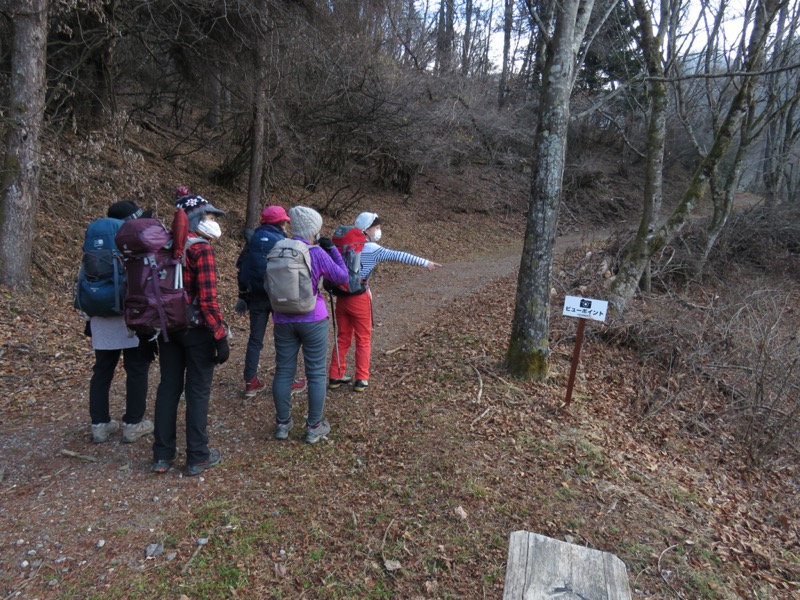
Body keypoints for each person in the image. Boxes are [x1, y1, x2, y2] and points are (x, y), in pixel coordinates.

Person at [151, 194, 230, 476]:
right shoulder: (201, 249)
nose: (214, 222)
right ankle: (198, 455)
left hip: (167, 327)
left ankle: (162, 455)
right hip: (196, 330)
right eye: (210, 217)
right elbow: (208, 300)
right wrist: (219, 335)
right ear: (197, 219)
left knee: (168, 387)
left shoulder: (163, 246)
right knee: (197, 391)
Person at [328, 212, 441, 393]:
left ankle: (335, 375)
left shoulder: (343, 246)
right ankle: (361, 378)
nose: (379, 231)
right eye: (377, 227)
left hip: (342, 297)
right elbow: (398, 256)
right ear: (366, 229)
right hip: (359, 299)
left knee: (342, 337)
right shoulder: (373, 249)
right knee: (363, 339)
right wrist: (425, 262)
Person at [272, 206, 347, 444]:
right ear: (313, 229)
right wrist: (333, 249)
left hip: (282, 318)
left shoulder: (278, 248)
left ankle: (283, 424)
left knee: (284, 370)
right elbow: (342, 277)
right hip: (313, 318)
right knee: (315, 372)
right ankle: (314, 426)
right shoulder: (315, 252)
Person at [87, 200, 155, 443]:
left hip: (100, 316)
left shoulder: (96, 247)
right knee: (136, 369)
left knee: (102, 370)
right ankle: (133, 423)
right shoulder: (131, 246)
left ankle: (100, 424)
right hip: (130, 317)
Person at [235, 205, 306, 399]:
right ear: (280, 222)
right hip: (278, 297)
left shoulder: (253, 240)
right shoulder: (283, 241)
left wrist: (243, 295)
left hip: (256, 296)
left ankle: (250, 382)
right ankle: (288, 380)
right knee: (285, 340)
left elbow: (241, 266)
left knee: (255, 339)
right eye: (284, 221)